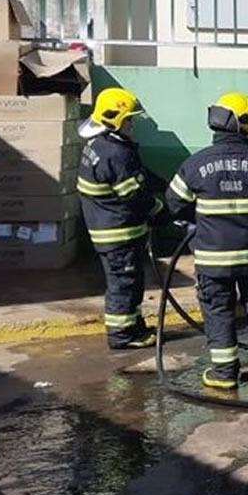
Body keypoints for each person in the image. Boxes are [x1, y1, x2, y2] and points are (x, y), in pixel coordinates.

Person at [165, 92, 248, 390]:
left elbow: (174, 203)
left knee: (218, 310)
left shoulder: (194, 165)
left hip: (212, 260)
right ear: (243, 126)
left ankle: (224, 374)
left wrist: (198, 224)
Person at [77, 87, 164, 350]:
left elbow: (140, 177)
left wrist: (165, 183)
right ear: (114, 119)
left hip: (110, 227)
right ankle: (121, 335)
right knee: (123, 283)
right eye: (129, 120)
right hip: (118, 232)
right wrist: (162, 209)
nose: (132, 124)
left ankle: (133, 325)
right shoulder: (116, 154)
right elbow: (134, 197)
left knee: (131, 281)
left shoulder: (102, 144)